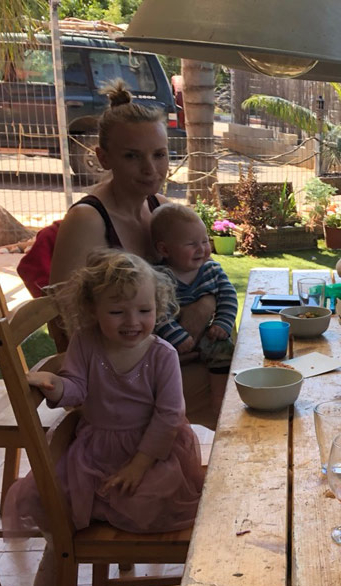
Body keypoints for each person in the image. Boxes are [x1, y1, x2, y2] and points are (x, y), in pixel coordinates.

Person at [5, 250, 205, 586]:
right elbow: (77, 388)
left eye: (145, 311)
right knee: (40, 495)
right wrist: (57, 385)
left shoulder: (162, 355)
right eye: (117, 312)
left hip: (153, 450)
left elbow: (170, 414)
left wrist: (139, 465)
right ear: (93, 311)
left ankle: (95, 535)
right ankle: (60, 546)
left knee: (147, 500)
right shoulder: (85, 343)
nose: (132, 321)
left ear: (158, 307)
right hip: (95, 450)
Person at [48, 79, 219, 429]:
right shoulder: (88, 220)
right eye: (132, 156)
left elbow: (207, 274)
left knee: (257, 375)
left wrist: (203, 307)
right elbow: (66, 325)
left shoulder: (158, 208)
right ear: (102, 157)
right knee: (240, 400)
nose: (150, 169)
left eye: (159, 155)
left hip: (167, 359)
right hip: (116, 382)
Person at [151, 203, 237, 414]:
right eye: (191, 244)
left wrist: (222, 322)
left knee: (225, 350)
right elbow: (158, 313)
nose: (202, 249)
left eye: (205, 240)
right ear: (164, 249)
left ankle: (220, 400)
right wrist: (177, 336)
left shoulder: (212, 269)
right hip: (172, 343)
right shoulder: (158, 278)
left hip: (208, 334)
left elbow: (228, 297)